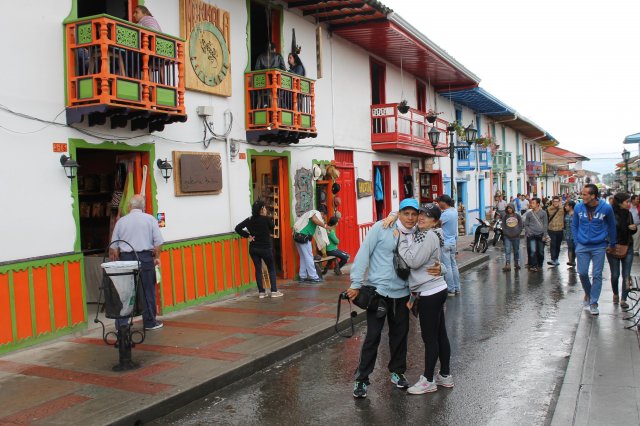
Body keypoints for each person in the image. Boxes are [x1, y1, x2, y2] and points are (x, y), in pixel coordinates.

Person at [346, 198, 441, 399]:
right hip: (378, 292)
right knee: (372, 337)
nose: (410, 218)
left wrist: (444, 268)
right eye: (405, 213)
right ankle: (361, 379)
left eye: (414, 214)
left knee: (400, 336)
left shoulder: (418, 234)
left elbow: (437, 256)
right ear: (398, 213)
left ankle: (397, 372)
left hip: (403, 294)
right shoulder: (381, 228)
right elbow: (364, 253)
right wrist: (355, 283)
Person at [398, 203, 453, 394]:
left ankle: (428, 379)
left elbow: (413, 261)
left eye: (426, 216)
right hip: (435, 289)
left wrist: (402, 243)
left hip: (430, 292)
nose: (420, 217)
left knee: (430, 338)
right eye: (421, 213)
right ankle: (444, 375)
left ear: (435, 221)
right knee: (440, 335)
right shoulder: (427, 233)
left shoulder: (428, 235)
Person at [109, 195, 164, 331]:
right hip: (145, 259)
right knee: (148, 292)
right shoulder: (150, 219)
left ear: (129, 206)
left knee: (126, 292)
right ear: (143, 207)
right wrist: (156, 257)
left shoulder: (121, 221)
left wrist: (116, 259)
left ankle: (122, 324)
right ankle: (150, 322)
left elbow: (113, 246)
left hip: (126, 259)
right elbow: (158, 242)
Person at [572, 184, 617, 316]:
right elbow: (574, 225)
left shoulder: (606, 208)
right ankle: (589, 292)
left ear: (593, 196)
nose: (582, 196)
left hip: (599, 245)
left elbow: (612, 226)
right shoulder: (578, 207)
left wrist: (612, 243)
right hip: (582, 245)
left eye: (585, 194)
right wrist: (576, 242)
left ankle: (593, 302)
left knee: (597, 275)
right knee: (582, 272)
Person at [235, 200, 283, 298]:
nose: (265, 209)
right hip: (266, 248)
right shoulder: (266, 219)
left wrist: (248, 236)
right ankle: (274, 291)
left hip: (253, 248)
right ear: (262, 209)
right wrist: (265, 216)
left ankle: (261, 292)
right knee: (271, 268)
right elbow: (273, 226)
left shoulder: (249, 219)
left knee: (258, 269)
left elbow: (237, 228)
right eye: (264, 207)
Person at [606, 193, 636, 309]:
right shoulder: (610, 214)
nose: (629, 204)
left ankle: (623, 299)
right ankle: (615, 293)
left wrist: (634, 228)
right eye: (626, 202)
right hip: (613, 247)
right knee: (615, 275)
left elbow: (631, 229)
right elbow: (607, 230)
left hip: (628, 246)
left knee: (626, 274)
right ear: (619, 202)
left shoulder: (628, 214)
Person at [293, 209, 327, 283]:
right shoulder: (315, 212)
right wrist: (324, 225)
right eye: (323, 217)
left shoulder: (307, 213)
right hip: (304, 236)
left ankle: (302, 276)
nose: (322, 218)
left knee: (303, 257)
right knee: (309, 257)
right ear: (322, 214)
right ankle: (313, 277)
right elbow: (314, 219)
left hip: (298, 235)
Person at [436, 195, 461, 296]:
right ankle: (457, 288)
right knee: (454, 266)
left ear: (443, 202)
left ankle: (450, 289)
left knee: (447, 267)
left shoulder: (446, 214)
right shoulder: (454, 211)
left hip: (445, 243)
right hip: (452, 242)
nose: (438, 204)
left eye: (439, 202)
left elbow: (436, 224)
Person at [523, 198, 548, 272]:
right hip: (531, 235)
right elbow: (526, 224)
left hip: (540, 235)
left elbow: (545, 224)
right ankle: (534, 265)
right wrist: (529, 231)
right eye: (531, 203)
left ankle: (539, 265)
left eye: (533, 203)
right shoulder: (529, 214)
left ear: (538, 204)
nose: (531, 204)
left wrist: (545, 235)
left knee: (540, 251)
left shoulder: (543, 213)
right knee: (533, 250)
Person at [501, 203, 523, 272]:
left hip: (516, 236)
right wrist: (506, 232)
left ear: (513, 208)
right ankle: (508, 264)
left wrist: (518, 232)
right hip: (507, 237)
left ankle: (516, 263)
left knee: (516, 250)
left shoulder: (517, 216)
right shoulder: (505, 217)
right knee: (507, 250)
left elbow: (521, 225)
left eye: (510, 208)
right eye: (508, 208)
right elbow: (503, 226)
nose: (509, 209)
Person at [546, 196, 564, 267]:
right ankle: (553, 259)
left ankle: (556, 259)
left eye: (557, 201)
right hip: (551, 229)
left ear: (559, 202)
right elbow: (546, 219)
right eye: (554, 201)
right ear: (552, 202)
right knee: (552, 244)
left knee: (558, 245)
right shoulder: (548, 209)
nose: (556, 203)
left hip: (560, 229)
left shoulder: (562, 209)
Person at [564, 200, 577, 268]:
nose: (565, 207)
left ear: (571, 206)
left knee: (574, 247)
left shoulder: (576, 214)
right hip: (568, 233)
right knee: (569, 247)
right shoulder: (566, 214)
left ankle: (573, 260)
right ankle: (570, 261)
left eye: (566, 206)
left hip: (575, 233)